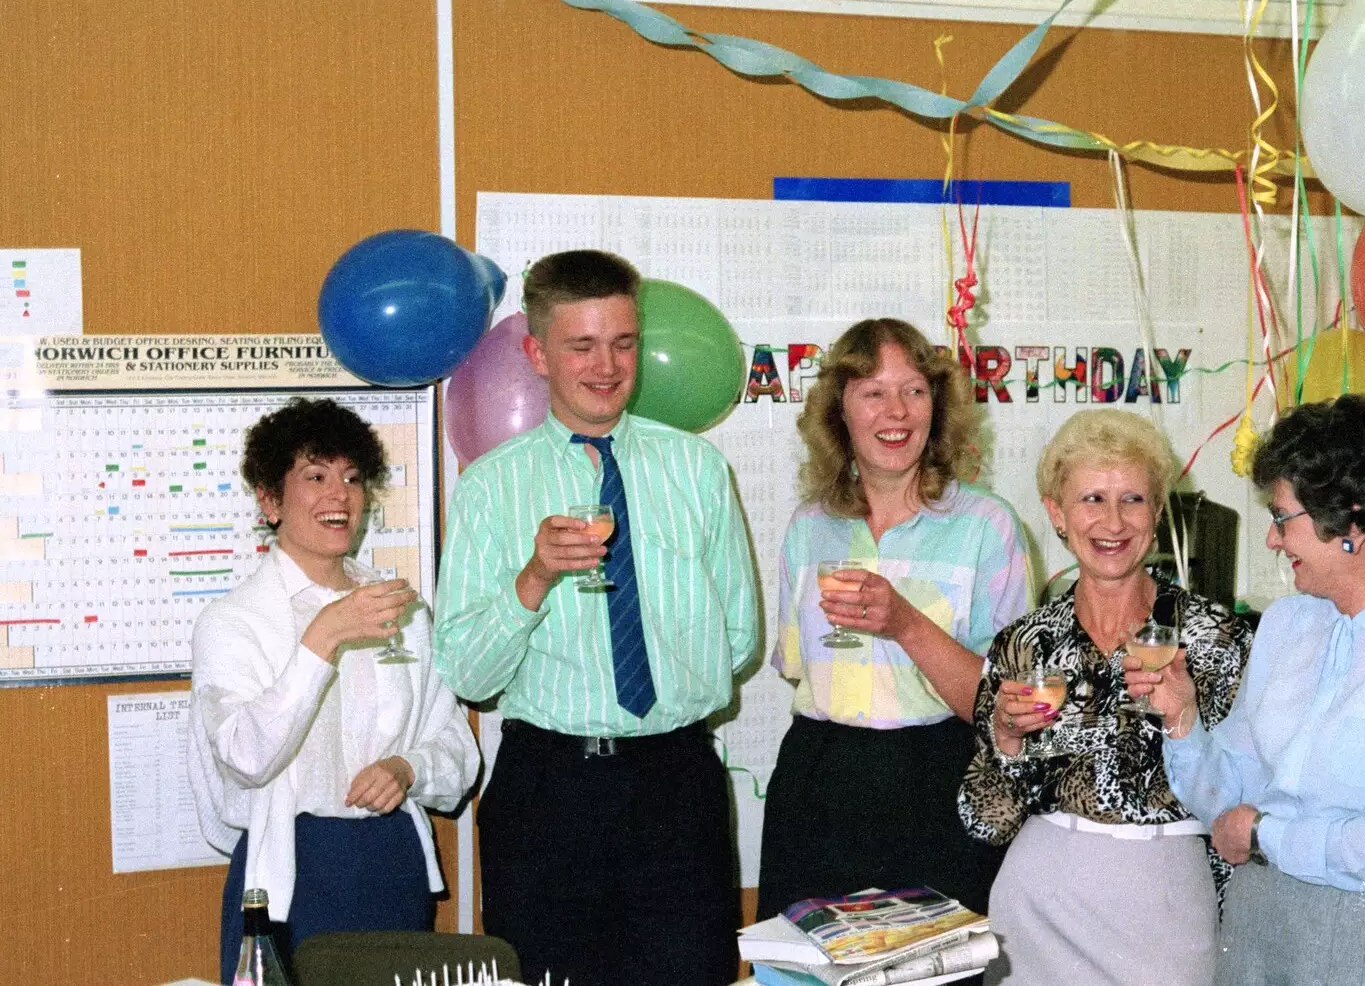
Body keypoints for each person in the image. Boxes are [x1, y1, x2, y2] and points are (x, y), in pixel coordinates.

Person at [433, 250, 758, 986]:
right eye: (581, 345)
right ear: (536, 354)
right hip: (549, 793)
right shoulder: (491, 487)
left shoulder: (698, 469)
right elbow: (465, 673)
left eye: (623, 342)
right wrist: (535, 576)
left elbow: (737, 639)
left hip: (678, 784)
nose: (606, 365)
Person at [1135, 394, 1365, 986]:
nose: (1273, 541)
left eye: (1283, 518)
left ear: (1349, 519)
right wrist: (1183, 720)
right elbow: (1229, 794)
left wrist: (1263, 833)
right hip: (1257, 925)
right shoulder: (1286, 624)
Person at [187, 398, 479, 983]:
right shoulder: (233, 621)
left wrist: (408, 768)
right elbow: (246, 758)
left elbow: (457, 749)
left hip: (389, 859)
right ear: (270, 501)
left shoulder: (399, 605)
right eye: (314, 477)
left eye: (351, 478)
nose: (339, 495)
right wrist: (322, 640)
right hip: (289, 866)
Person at [958, 408, 1252, 986]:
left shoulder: (1216, 638)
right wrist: (1007, 741)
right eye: (1092, 498)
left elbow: (1246, 802)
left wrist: (1186, 716)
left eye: (1133, 500)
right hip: (1037, 906)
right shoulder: (1026, 643)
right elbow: (983, 822)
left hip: (1166, 909)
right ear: (1056, 513)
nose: (1113, 522)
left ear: (1158, 509)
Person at [756, 318, 1032, 924]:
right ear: (840, 411)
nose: (897, 411)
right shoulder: (809, 525)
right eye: (872, 392)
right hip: (819, 774)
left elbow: (1006, 705)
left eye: (914, 390)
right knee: (810, 965)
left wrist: (905, 624)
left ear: (938, 407)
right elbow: (796, 669)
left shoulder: (987, 525)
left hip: (939, 776)